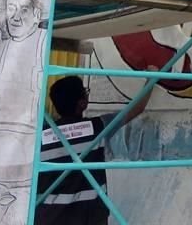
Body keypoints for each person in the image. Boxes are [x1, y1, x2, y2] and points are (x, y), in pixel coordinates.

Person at [34, 69, 156, 225]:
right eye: (85, 92)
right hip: (90, 217)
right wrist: (152, 77)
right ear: (82, 103)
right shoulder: (96, 128)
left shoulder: (41, 137)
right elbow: (136, 108)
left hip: (49, 218)